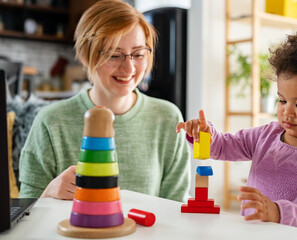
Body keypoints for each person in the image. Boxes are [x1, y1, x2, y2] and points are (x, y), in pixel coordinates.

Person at [176, 19, 297, 240]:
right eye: (282, 100)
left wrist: (276, 211)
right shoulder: (266, 135)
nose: (287, 112)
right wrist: (205, 136)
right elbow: (225, 146)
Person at [19, 0, 190, 203]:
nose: (129, 69)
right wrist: (48, 193)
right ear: (84, 56)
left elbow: (175, 210)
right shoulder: (51, 122)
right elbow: (25, 214)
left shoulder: (169, 118)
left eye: (138, 54)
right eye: (114, 55)